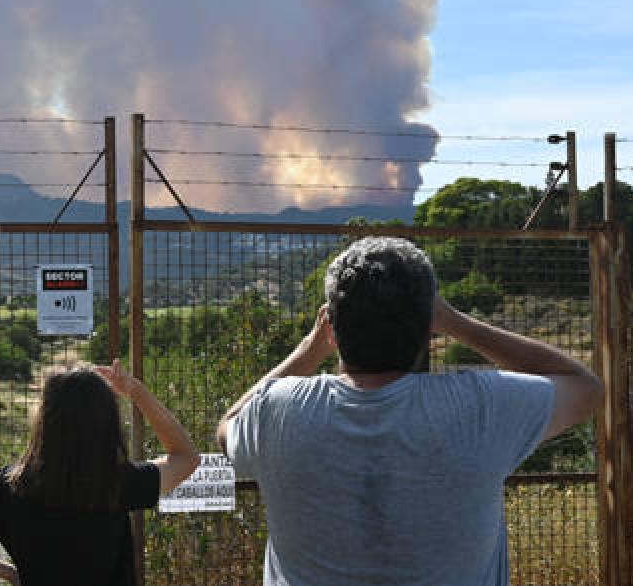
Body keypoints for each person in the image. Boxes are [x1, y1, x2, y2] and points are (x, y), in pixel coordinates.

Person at [217, 236, 603, 586]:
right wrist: (458, 323)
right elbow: (586, 388)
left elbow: (228, 428)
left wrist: (309, 350)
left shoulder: (277, 410)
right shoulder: (483, 404)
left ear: (333, 329)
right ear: (428, 327)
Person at [0, 360, 200, 585]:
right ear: (107, 424)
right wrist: (136, 392)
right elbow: (186, 457)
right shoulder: (119, 484)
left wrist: (7, 572)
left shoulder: (9, 486)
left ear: (45, 420)